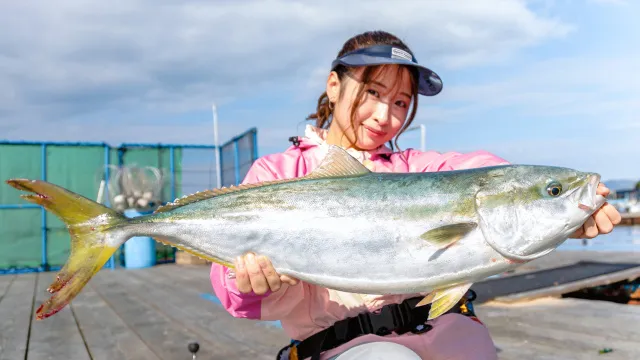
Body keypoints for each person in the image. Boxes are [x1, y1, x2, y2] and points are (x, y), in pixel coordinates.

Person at [210, 30, 621, 360]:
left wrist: (559, 213)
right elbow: (235, 295)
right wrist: (249, 282)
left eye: (401, 101)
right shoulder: (279, 175)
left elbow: (486, 173)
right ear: (334, 86)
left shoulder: (416, 169)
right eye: (372, 92)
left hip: (450, 337)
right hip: (346, 347)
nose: (385, 116)